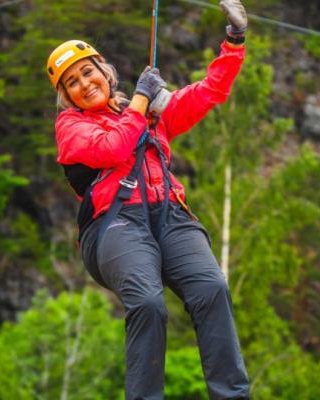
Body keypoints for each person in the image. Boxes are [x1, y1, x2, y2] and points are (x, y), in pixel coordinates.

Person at [46, 1, 250, 399]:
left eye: (88, 71)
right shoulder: (70, 126)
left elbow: (209, 93)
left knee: (211, 287)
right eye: (72, 82)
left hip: (169, 215)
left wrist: (234, 41)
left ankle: (232, 396)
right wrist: (140, 100)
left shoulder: (146, 109)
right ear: (66, 96)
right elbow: (112, 148)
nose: (85, 83)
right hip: (116, 225)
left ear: (104, 71)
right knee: (147, 303)